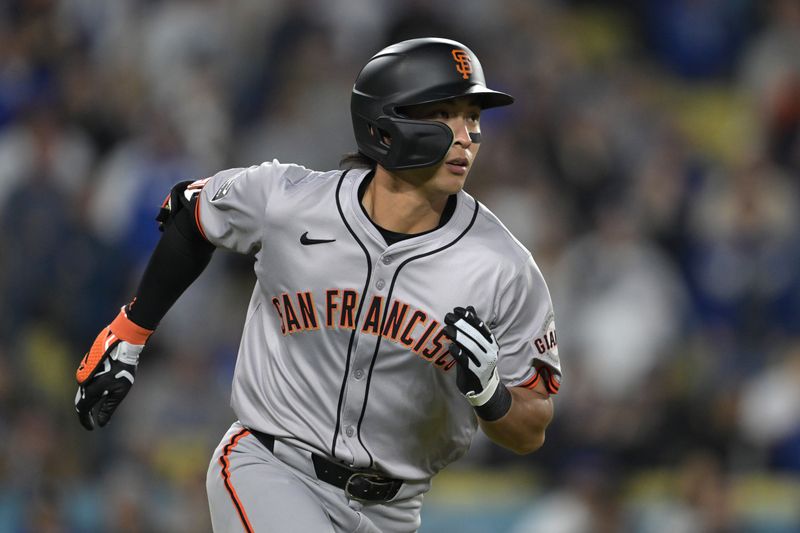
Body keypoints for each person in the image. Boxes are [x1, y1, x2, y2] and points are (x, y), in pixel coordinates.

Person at [74, 37, 562, 533]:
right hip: (269, 467)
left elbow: (532, 428)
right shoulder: (291, 202)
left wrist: (491, 395)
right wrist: (128, 334)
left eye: (473, 117)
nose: (467, 136)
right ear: (385, 127)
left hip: (393, 511)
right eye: (444, 115)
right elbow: (191, 214)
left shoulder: (503, 268)